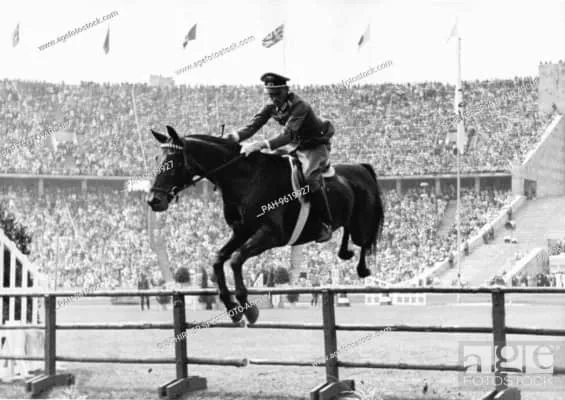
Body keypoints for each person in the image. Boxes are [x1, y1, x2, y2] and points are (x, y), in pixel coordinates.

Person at [227, 72, 335, 242]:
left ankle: (325, 223)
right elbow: (252, 126)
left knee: (309, 179)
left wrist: (260, 144)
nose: (274, 99)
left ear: (286, 90)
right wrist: (232, 138)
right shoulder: (271, 106)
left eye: (277, 94)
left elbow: (287, 136)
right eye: (271, 95)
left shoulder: (300, 106)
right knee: (269, 164)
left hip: (315, 146)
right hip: (297, 145)